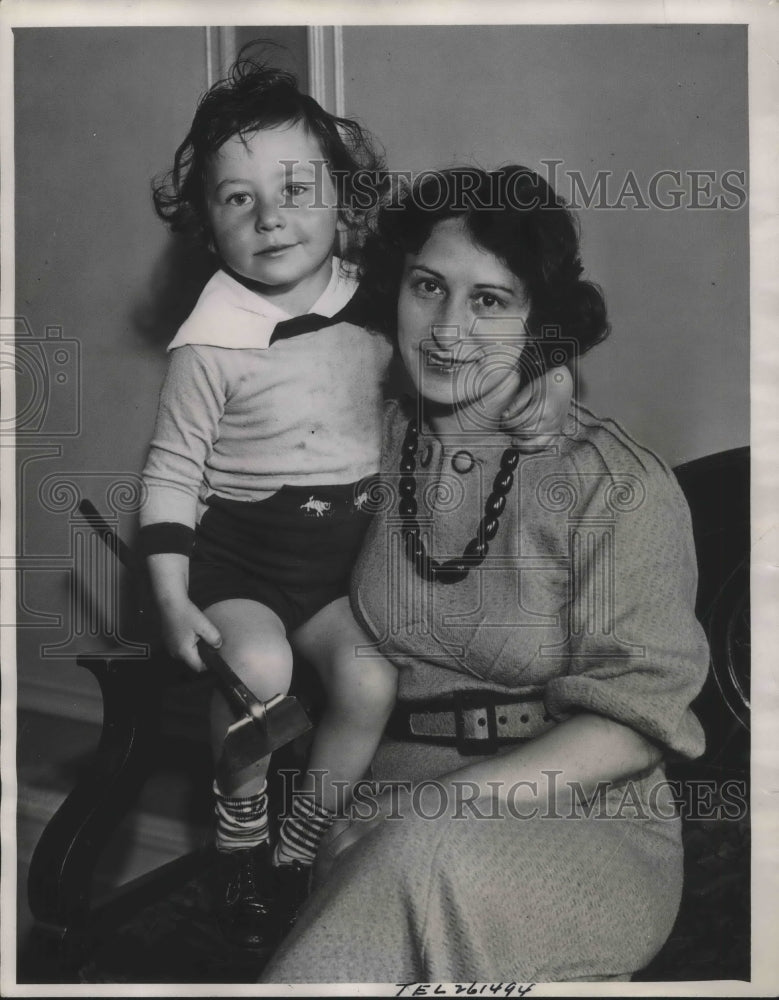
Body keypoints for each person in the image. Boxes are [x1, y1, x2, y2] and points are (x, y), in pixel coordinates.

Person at [139, 55, 572, 951]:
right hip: (241, 560)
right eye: (237, 199)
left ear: (343, 197)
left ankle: (299, 845)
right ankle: (239, 840)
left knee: (370, 678)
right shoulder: (208, 343)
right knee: (258, 669)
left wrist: (549, 369)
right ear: (206, 225)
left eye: (296, 189)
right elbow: (172, 469)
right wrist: (172, 597)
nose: (270, 217)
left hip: (337, 566)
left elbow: (474, 340)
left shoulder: (376, 301)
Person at [261, 165, 710, 984]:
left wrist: (432, 809)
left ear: (538, 322)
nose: (447, 329)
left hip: (577, 813)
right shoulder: (358, 445)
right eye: (427, 287)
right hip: (386, 794)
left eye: (490, 301)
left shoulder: (613, 483)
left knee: (424, 853)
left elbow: (636, 721)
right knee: (408, 861)